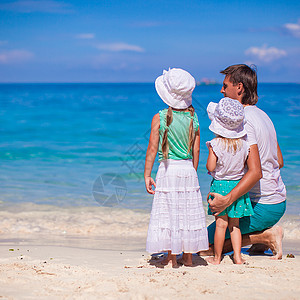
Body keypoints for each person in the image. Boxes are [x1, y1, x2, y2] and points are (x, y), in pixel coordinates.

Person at [203, 64, 286, 259]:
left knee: (200, 245)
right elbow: (279, 161)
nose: (221, 90)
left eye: (225, 86)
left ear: (239, 88)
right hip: (278, 201)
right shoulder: (264, 116)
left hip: (262, 205)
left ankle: (265, 237)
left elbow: (256, 172)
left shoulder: (244, 120)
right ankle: (258, 236)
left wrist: (227, 200)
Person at [145, 68, 209, 268]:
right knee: (187, 213)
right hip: (187, 169)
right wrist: (193, 171)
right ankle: (188, 257)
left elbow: (153, 148)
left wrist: (147, 174)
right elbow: (196, 149)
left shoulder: (160, 117)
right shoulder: (194, 118)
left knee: (171, 211)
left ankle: (172, 257)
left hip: (168, 169)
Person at [205, 97, 254, 264]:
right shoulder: (244, 144)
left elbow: (211, 167)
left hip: (220, 186)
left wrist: (210, 154)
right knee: (235, 225)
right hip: (238, 187)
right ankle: (238, 257)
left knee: (220, 225)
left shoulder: (215, 143)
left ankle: (217, 257)